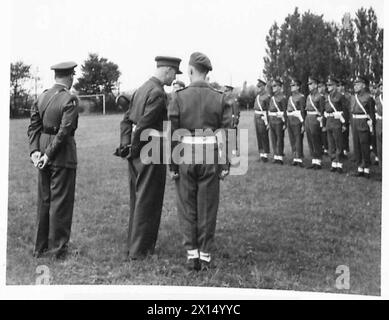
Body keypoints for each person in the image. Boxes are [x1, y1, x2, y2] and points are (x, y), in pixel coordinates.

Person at [168, 52, 232, 271]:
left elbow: (173, 133)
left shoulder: (178, 96)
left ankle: (192, 253)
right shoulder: (220, 96)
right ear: (207, 72)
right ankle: (205, 254)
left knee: (187, 205)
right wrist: (225, 163)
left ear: (191, 70)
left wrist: (172, 164)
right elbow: (225, 133)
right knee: (207, 205)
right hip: (210, 155)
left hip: (185, 154)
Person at [119, 56, 182, 260]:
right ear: (167, 70)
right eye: (174, 73)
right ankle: (141, 252)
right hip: (150, 150)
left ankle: (133, 246)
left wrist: (126, 146)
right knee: (149, 201)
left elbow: (126, 121)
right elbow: (145, 124)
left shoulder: (141, 89)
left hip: (137, 151)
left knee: (137, 199)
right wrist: (135, 148)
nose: (174, 78)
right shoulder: (157, 93)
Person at [27, 61, 79, 259]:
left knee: (45, 200)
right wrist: (49, 154)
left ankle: (40, 248)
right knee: (61, 202)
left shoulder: (42, 97)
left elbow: (33, 127)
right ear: (70, 76)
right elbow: (65, 131)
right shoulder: (70, 99)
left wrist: (35, 152)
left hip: (41, 149)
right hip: (61, 154)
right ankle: (58, 250)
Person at [350, 76, 375, 178]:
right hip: (354, 121)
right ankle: (360, 168)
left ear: (363, 85)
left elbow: (372, 114)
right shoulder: (353, 97)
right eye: (354, 84)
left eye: (357, 84)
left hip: (364, 122)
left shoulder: (368, 97)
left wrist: (371, 126)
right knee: (356, 146)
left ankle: (367, 169)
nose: (355, 86)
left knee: (364, 145)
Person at [324, 76, 348, 173]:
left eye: (330, 85)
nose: (328, 86)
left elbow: (345, 110)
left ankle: (339, 164)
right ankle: (333, 162)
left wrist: (344, 124)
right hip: (329, 120)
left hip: (337, 121)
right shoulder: (327, 97)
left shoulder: (340, 96)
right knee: (331, 143)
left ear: (335, 85)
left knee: (338, 143)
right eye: (327, 85)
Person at [305, 76, 325, 170]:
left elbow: (322, 110)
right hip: (308, 118)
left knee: (316, 139)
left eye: (311, 84)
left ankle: (318, 161)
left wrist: (321, 121)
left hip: (315, 119)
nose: (309, 86)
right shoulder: (309, 96)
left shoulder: (320, 97)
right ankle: (314, 160)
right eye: (309, 84)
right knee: (310, 139)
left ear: (316, 85)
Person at [286, 78, 306, 167]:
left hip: (297, 119)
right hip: (290, 119)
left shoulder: (301, 97)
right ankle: (295, 157)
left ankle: (299, 158)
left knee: (298, 139)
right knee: (292, 139)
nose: (291, 87)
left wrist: (303, 124)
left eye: (293, 85)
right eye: (291, 85)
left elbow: (302, 111)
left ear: (298, 87)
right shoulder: (290, 97)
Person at [268, 78, 287, 164]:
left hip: (279, 120)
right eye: (272, 86)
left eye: (275, 86)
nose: (273, 87)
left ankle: (280, 157)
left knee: (279, 139)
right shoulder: (272, 98)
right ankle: (276, 156)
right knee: (273, 139)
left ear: (279, 87)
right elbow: (269, 110)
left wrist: (285, 123)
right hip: (272, 120)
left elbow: (285, 111)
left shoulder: (283, 98)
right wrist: (268, 121)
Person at [253, 78, 270, 162]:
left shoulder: (267, 96)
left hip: (263, 117)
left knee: (264, 135)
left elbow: (268, 109)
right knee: (259, 135)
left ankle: (265, 155)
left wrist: (268, 122)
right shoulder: (258, 96)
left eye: (260, 86)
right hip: (256, 116)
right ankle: (261, 153)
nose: (258, 88)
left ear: (264, 86)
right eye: (258, 86)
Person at [223, 85, 240, 155]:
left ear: (230, 91)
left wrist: (235, 122)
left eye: (226, 91)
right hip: (225, 120)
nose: (225, 92)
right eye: (225, 91)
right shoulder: (224, 99)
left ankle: (234, 152)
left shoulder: (234, 99)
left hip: (231, 120)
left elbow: (236, 111)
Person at [337, 79, 352, 157]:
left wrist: (348, 119)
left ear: (343, 87)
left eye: (340, 86)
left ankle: (345, 149)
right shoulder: (336, 95)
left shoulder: (347, 96)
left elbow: (349, 108)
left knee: (345, 135)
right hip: (337, 117)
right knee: (338, 135)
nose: (339, 87)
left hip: (345, 117)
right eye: (338, 86)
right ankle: (340, 150)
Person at [318, 78, 329, 155]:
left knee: (325, 132)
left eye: (321, 86)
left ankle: (326, 148)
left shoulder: (327, 96)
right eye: (318, 87)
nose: (320, 88)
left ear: (324, 87)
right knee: (320, 133)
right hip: (318, 116)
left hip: (326, 116)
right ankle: (322, 146)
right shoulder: (317, 96)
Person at [375, 79, 383, 169]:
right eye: (380, 86)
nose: (381, 87)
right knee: (380, 149)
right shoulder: (377, 99)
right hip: (379, 123)